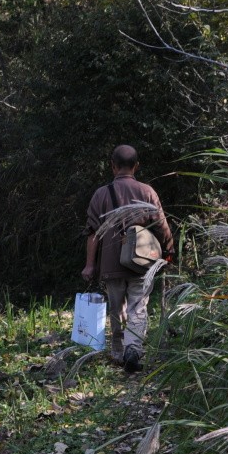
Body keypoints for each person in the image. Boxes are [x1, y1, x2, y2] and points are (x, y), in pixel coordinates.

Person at [82, 145, 174, 372]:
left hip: (111, 263)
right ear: (137, 166)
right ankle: (133, 348)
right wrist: (169, 251)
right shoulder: (147, 192)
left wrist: (90, 265)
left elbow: (92, 233)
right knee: (138, 307)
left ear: (112, 166)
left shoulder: (101, 194)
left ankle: (118, 351)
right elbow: (162, 226)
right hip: (142, 262)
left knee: (116, 308)